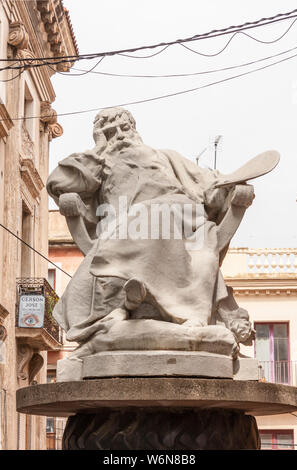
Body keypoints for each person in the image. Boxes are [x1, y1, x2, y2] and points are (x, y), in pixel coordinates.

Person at [47, 107, 255, 358]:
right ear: (101, 137)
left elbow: (210, 187)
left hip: (178, 215)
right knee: (139, 220)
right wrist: (99, 150)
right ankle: (132, 302)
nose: (121, 136)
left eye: (126, 128)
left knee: (153, 216)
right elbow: (58, 183)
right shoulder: (99, 166)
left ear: (135, 129)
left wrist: (229, 189)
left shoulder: (165, 157)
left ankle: (143, 305)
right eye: (112, 132)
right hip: (125, 224)